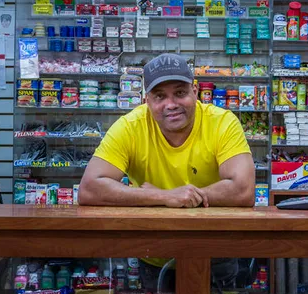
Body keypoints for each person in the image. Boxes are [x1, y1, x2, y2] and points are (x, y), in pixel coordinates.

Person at [79, 53, 255, 208]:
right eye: (160, 96)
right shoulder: (130, 126)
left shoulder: (222, 122)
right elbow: (89, 189)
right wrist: (165, 196)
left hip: (212, 231)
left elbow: (243, 190)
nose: (171, 105)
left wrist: (181, 197)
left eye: (179, 93)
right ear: (147, 100)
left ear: (195, 91)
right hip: (148, 231)